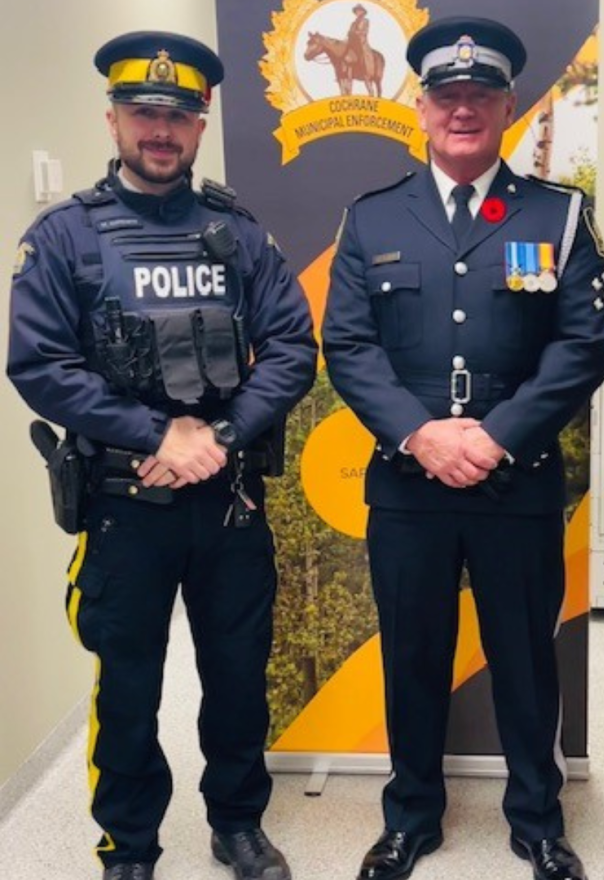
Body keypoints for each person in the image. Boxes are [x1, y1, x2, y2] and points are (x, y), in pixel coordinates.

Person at [7, 31, 317, 880]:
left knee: (238, 678)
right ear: (112, 118)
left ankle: (237, 824)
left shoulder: (237, 232)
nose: (160, 129)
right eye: (144, 111)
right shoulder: (66, 237)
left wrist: (216, 436)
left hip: (228, 500)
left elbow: (293, 345)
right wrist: (157, 434)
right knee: (129, 687)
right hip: (122, 504)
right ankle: (129, 845)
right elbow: (38, 364)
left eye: (178, 115)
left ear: (201, 124)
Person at [322, 15, 604, 880]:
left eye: (479, 95)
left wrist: (495, 435)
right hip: (409, 482)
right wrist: (420, 433)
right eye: (447, 95)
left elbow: (581, 346)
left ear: (507, 105)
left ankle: (537, 819)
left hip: (511, 481)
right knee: (412, 655)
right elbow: (348, 345)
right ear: (421, 106)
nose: (462, 109)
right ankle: (411, 817)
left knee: (525, 656)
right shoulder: (373, 219)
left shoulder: (557, 214)